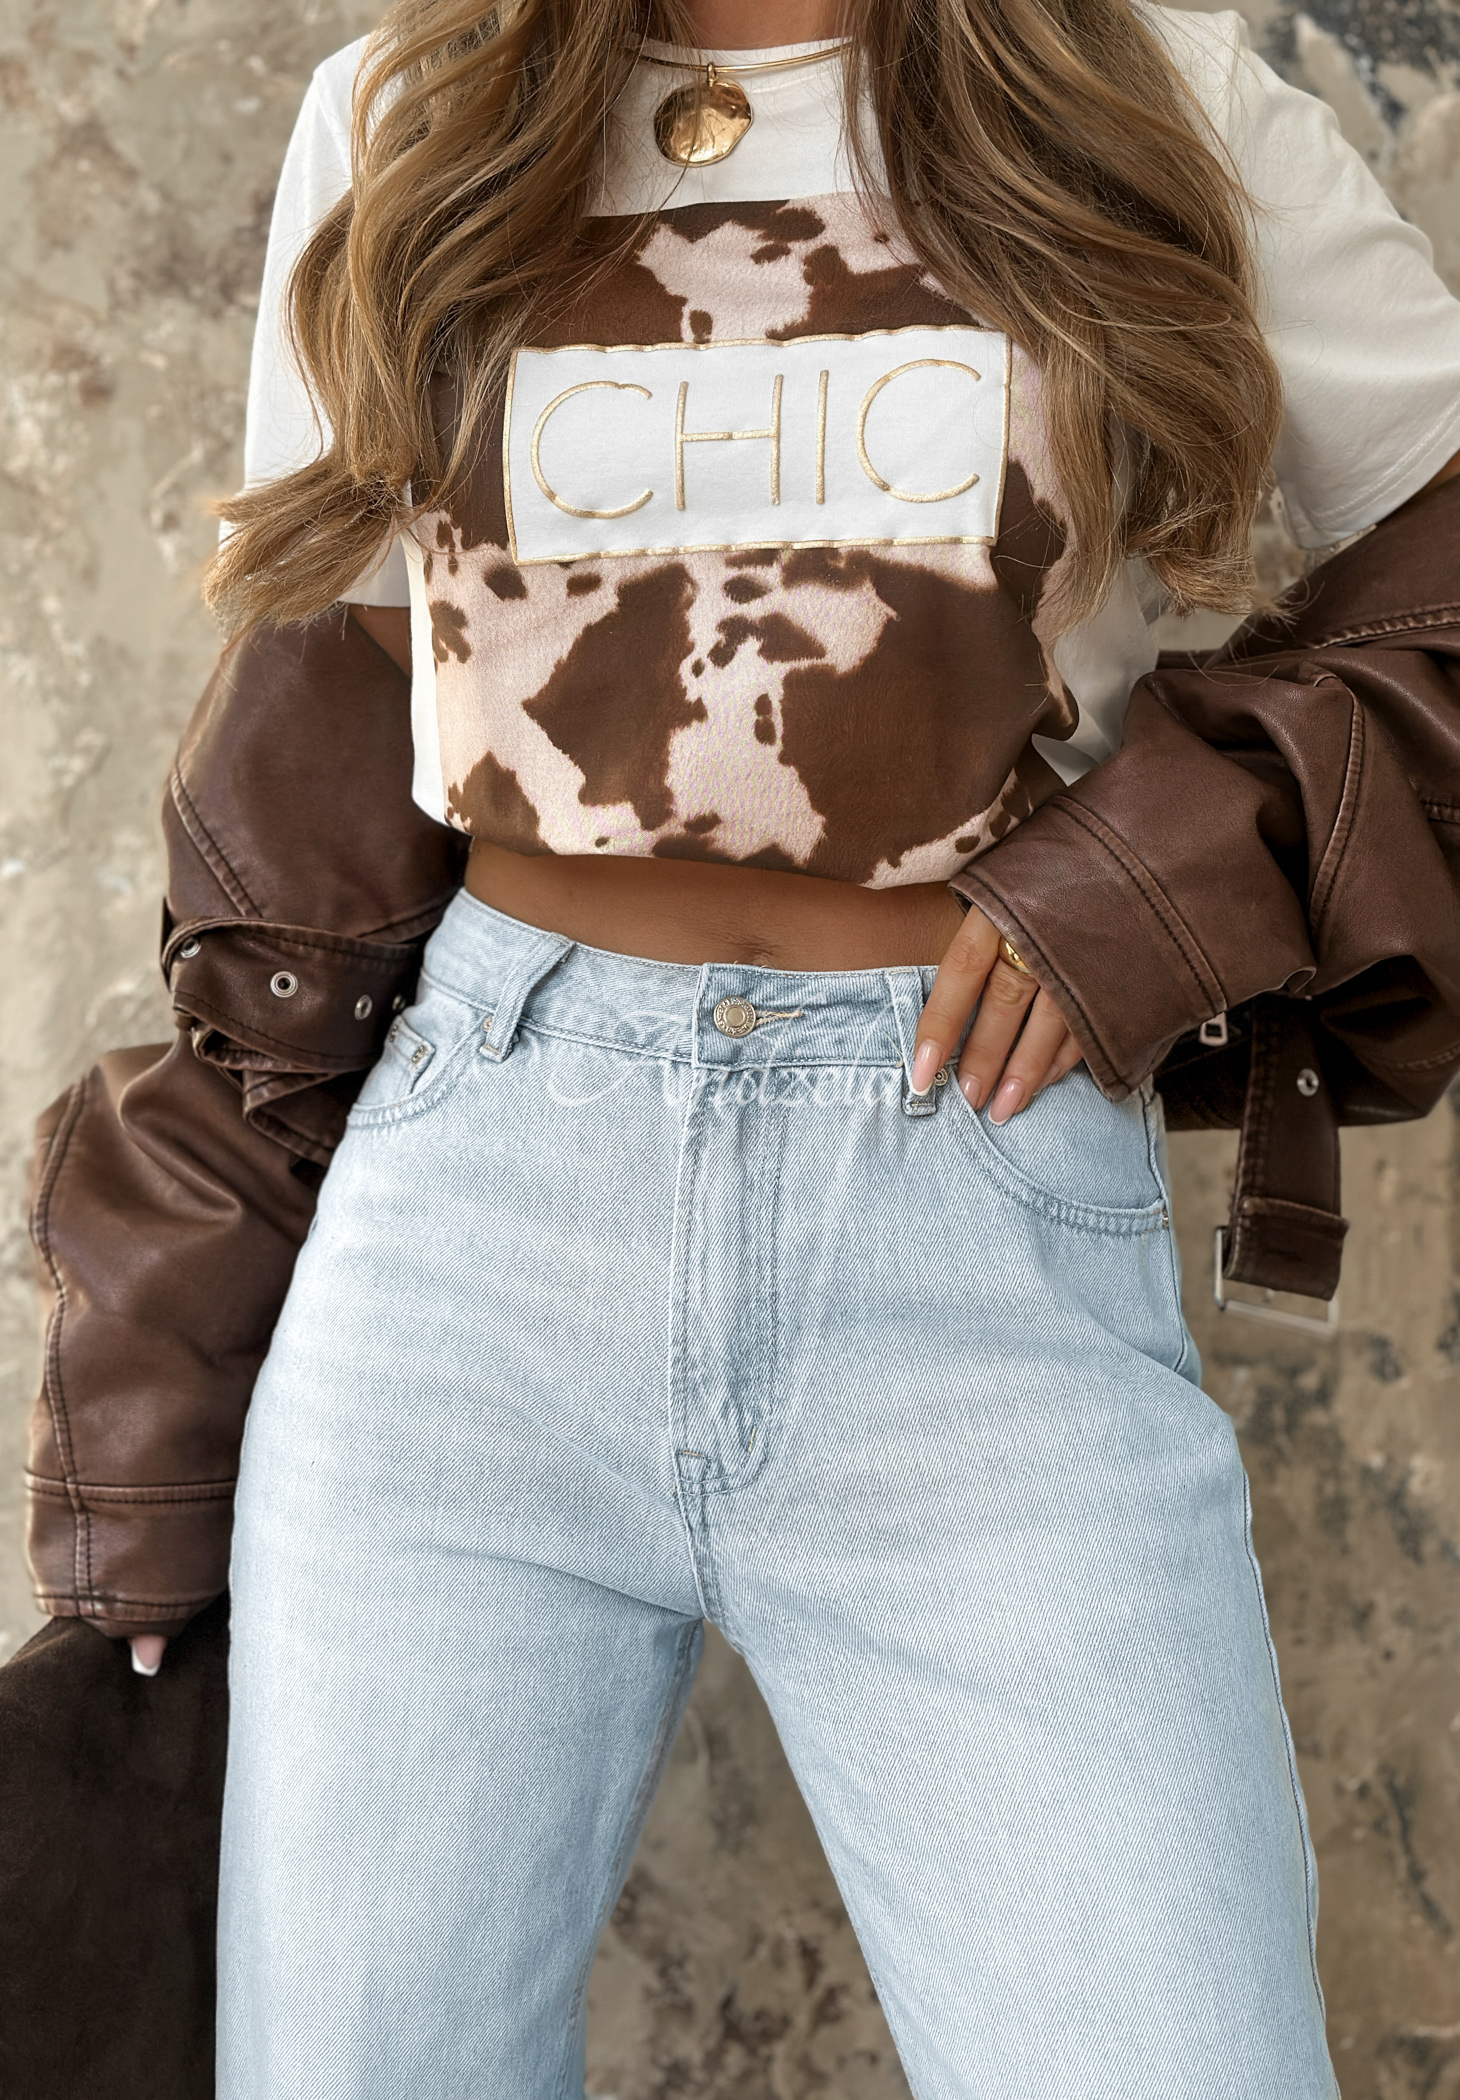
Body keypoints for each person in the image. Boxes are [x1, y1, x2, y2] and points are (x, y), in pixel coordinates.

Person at [25, 0, 1460, 2092]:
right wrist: (165, 1375)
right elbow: (313, 773)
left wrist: (1167, 869)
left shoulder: (1145, 87)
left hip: (970, 1199)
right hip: (466, 1236)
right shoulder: (408, 112)